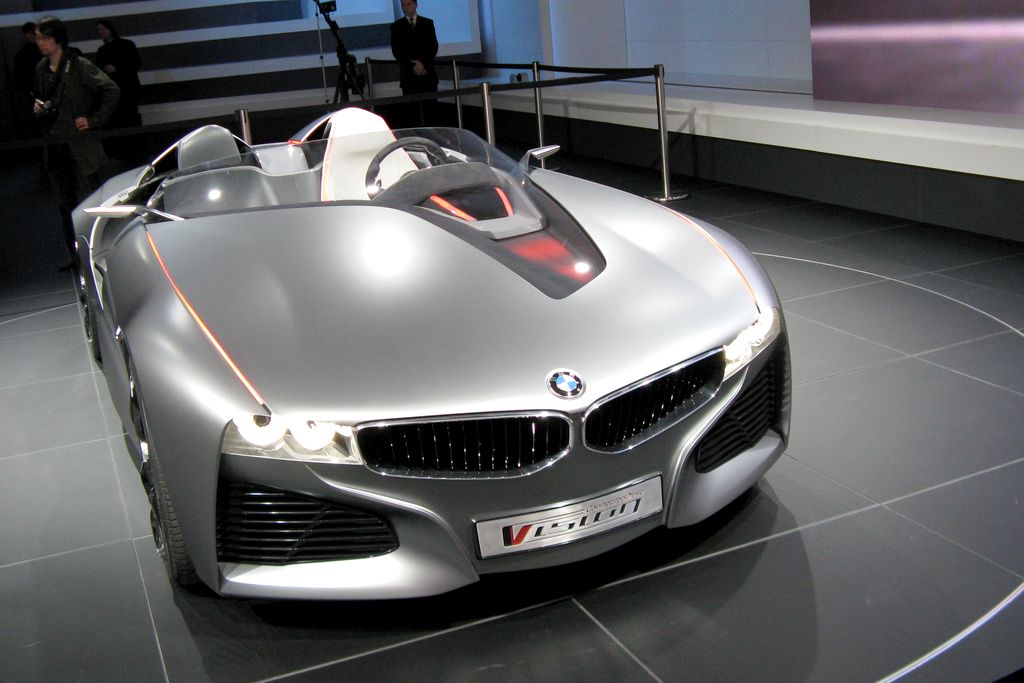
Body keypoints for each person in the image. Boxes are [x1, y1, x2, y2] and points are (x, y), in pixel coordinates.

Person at [32, 16, 119, 270]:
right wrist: (38, 107)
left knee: (88, 200)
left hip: (80, 146)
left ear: (57, 39)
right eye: (38, 38)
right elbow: (41, 98)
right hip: (55, 144)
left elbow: (111, 90)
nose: (40, 43)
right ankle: (74, 252)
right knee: (64, 204)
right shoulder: (41, 68)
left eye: (45, 38)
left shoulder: (79, 65)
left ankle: (97, 250)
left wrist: (94, 120)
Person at [389, 0, 438, 126]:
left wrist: (422, 64)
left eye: (408, 4)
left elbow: (433, 47)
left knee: (431, 114)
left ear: (416, 5)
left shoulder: (427, 23)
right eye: (403, 5)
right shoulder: (396, 27)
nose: (405, 7)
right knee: (412, 115)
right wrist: (413, 66)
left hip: (427, 75)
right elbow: (397, 52)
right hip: (409, 77)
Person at [13, 22, 43, 138]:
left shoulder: (22, 55)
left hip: (35, 94)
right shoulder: (24, 55)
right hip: (36, 93)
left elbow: (19, 81)